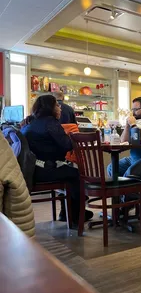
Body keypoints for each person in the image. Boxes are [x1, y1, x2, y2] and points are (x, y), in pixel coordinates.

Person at [21, 95, 93, 224]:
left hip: (31, 170)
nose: (60, 108)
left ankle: (67, 212)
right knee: (75, 174)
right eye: (57, 105)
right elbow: (67, 145)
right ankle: (76, 214)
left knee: (67, 171)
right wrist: (71, 136)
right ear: (51, 108)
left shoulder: (30, 122)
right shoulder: (50, 123)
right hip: (44, 171)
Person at [107, 97, 141, 177]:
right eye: (132, 110)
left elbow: (140, 138)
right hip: (134, 158)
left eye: (136, 110)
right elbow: (123, 141)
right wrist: (127, 125)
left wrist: (133, 125)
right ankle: (118, 188)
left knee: (130, 172)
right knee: (111, 168)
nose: (133, 113)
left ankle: (126, 188)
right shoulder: (135, 121)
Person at [0, 131, 35, 237]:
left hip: (33, 171)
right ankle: (72, 216)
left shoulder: (27, 128)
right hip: (38, 170)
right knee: (73, 175)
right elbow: (66, 145)